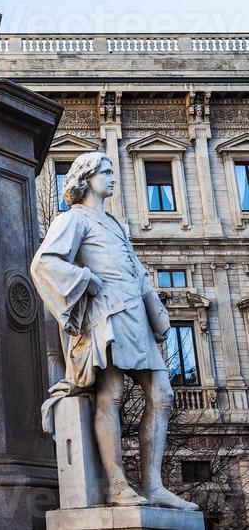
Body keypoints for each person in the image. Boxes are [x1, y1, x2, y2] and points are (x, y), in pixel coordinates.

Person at [30, 151, 198, 511]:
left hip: (135, 314)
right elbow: (44, 262)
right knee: (112, 393)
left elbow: (135, 271)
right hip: (108, 315)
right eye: (103, 171)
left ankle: (153, 485)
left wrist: (156, 309)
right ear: (84, 178)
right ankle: (118, 484)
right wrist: (84, 279)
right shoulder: (73, 219)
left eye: (110, 170)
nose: (111, 176)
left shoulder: (116, 224)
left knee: (162, 395)